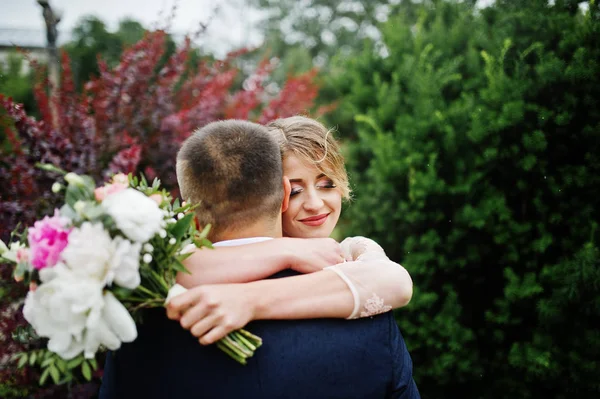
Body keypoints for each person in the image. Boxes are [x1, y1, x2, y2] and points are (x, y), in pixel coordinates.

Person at [100, 120, 419, 398]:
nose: (314, 203)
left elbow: (393, 281)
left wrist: (250, 297)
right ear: (277, 192)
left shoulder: (349, 255)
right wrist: (287, 250)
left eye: (327, 184)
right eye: (296, 190)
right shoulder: (369, 321)